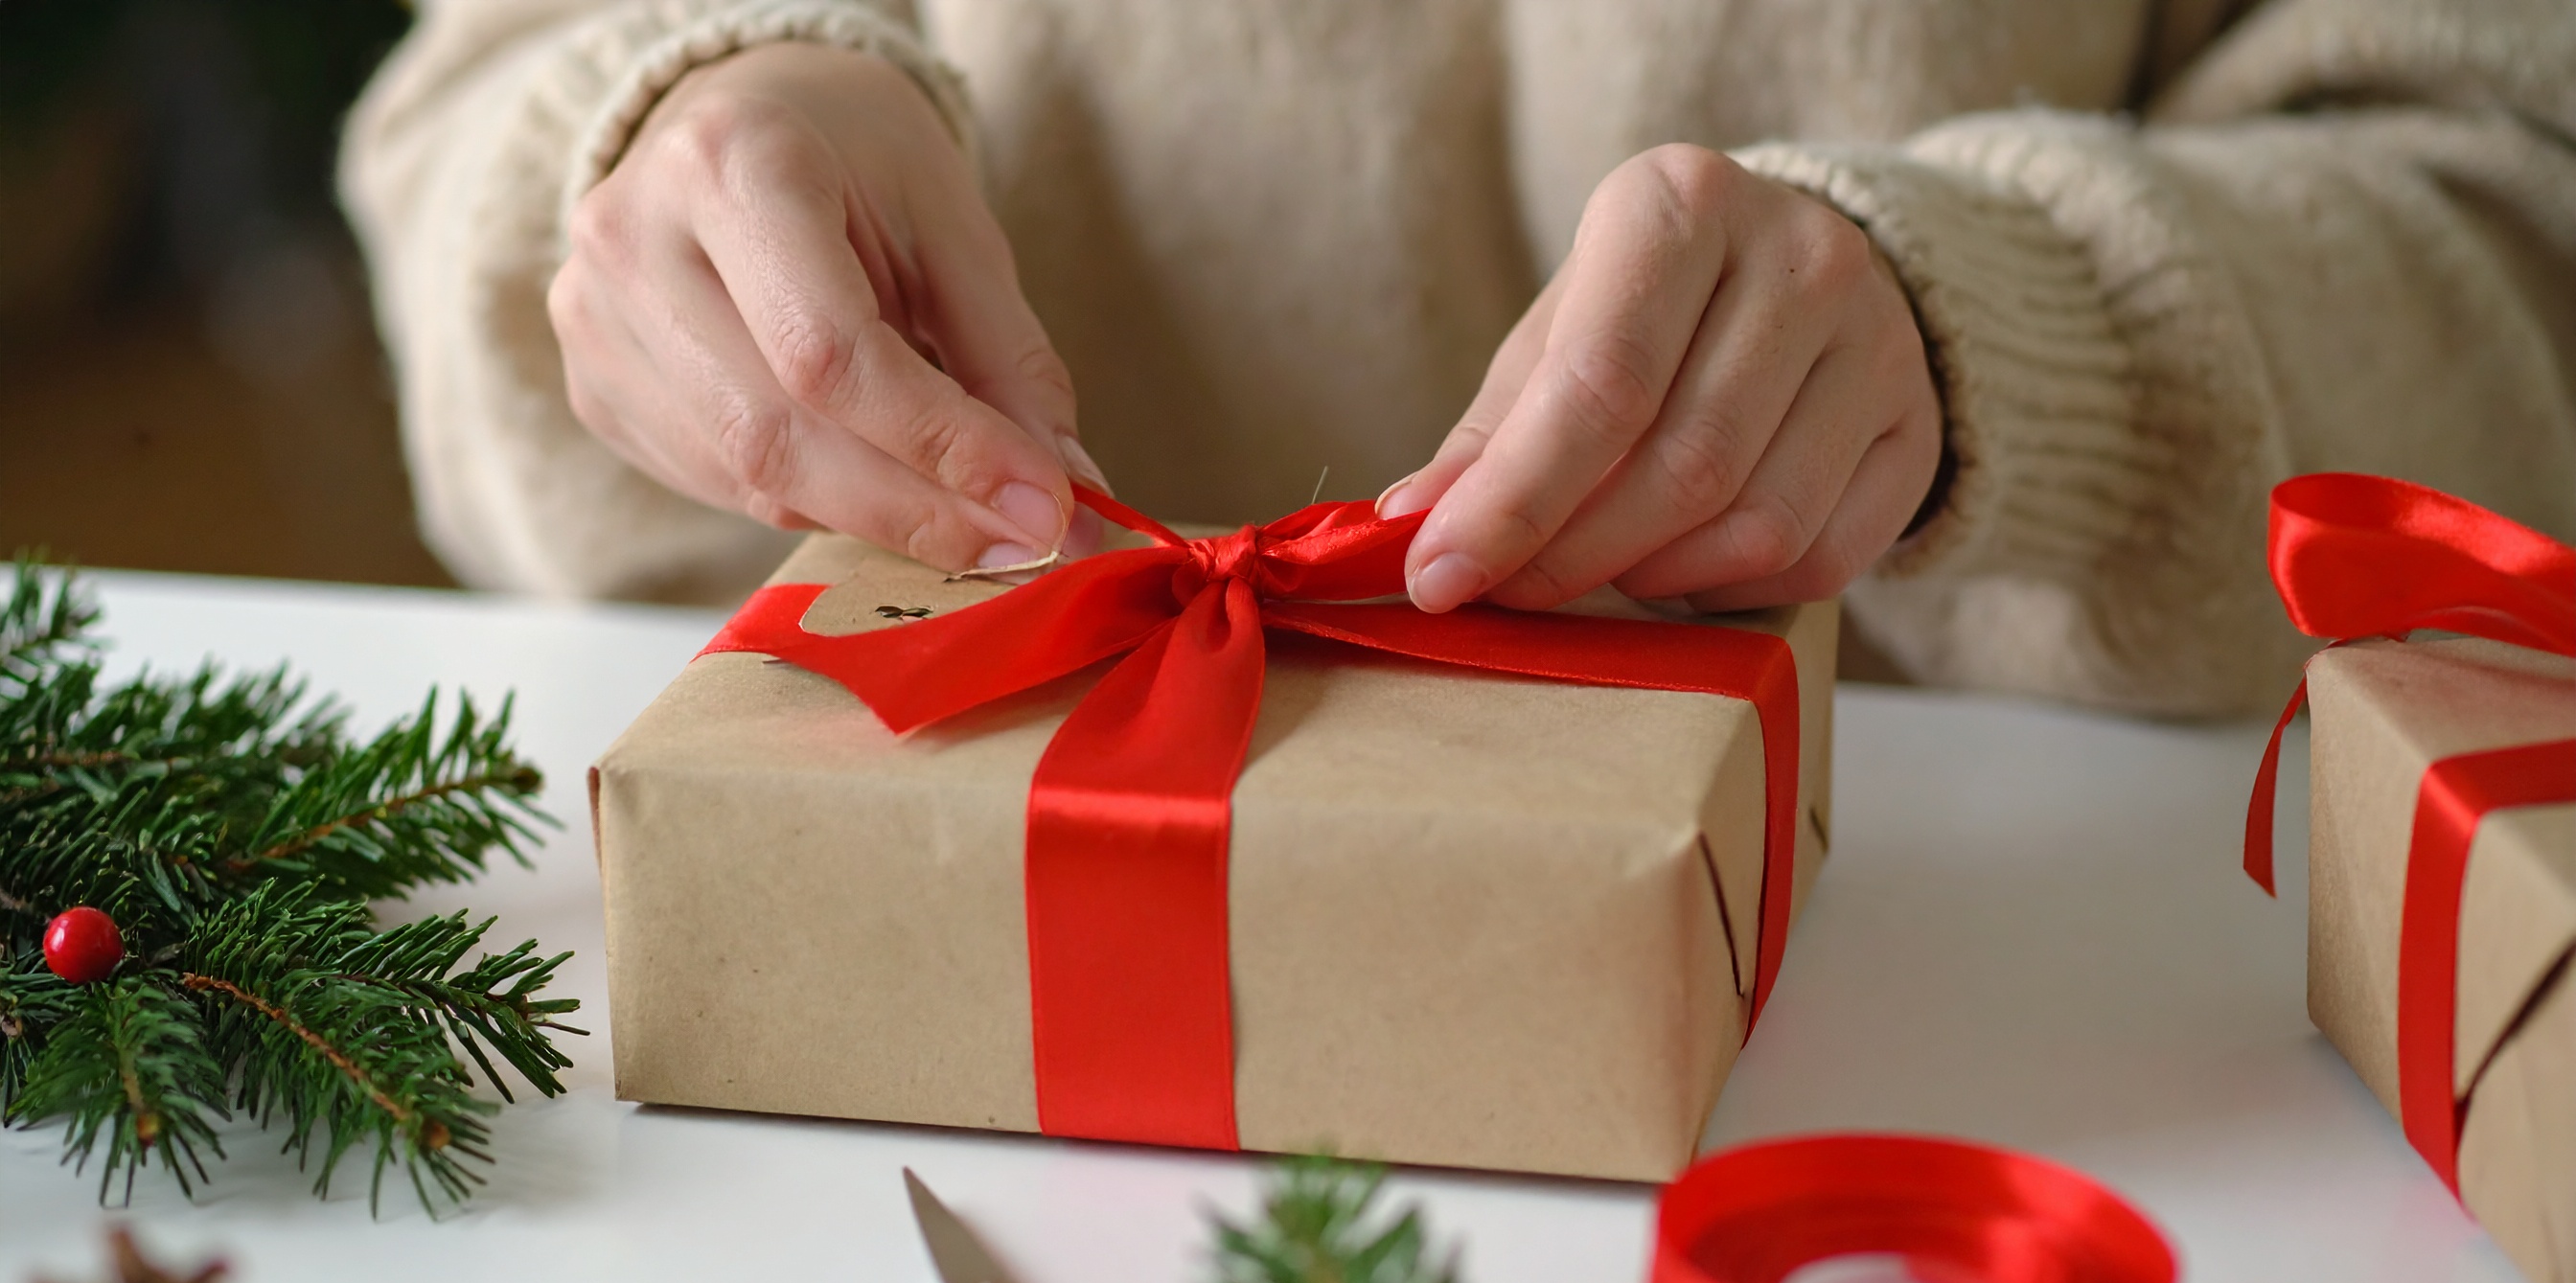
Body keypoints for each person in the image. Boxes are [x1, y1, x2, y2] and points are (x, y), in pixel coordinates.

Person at [341, 0, 2576, 715]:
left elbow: (2514, 186)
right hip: (869, 1063)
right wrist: (644, 126)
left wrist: (2025, 332)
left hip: (2013, 1025)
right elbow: (471, 95)